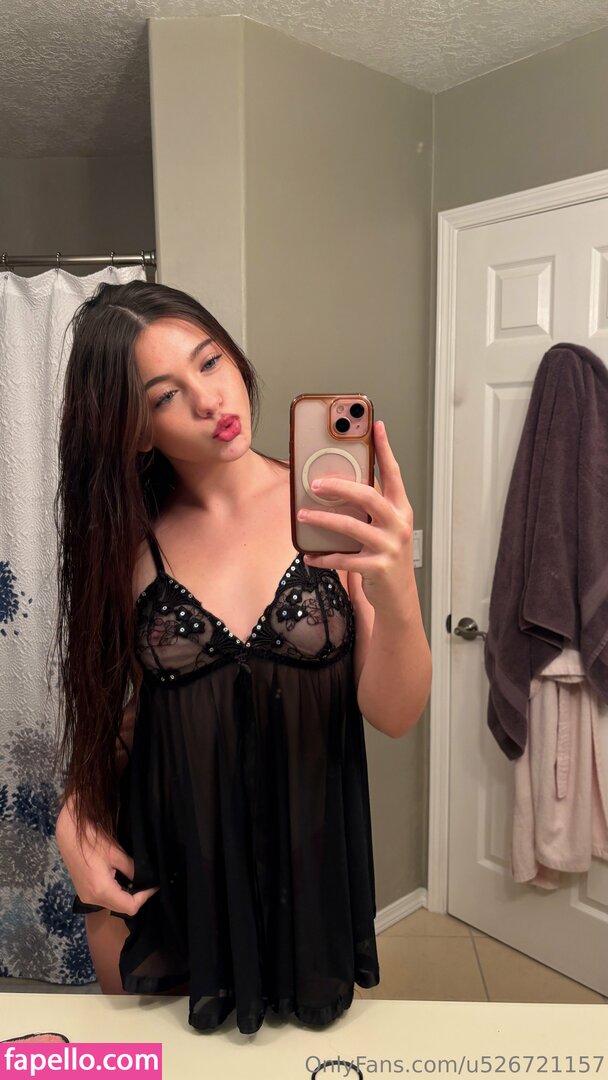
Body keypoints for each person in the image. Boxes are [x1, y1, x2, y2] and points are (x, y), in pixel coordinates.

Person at [52, 280, 432, 1035]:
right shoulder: (126, 543)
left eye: (210, 361)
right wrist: (76, 808)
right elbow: (147, 711)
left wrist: (397, 592)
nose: (209, 400)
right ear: (135, 429)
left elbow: (393, 714)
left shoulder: (331, 510)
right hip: (168, 886)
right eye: (166, 395)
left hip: (308, 885)